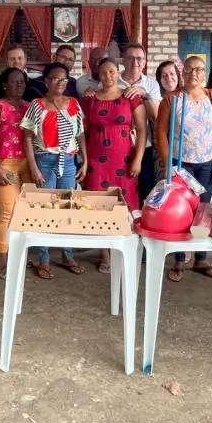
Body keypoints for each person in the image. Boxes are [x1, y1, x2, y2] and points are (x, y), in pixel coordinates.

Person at [155, 55, 212, 283]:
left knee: (204, 210)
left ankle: (201, 258)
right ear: (183, 72)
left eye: (199, 69)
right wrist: (168, 163)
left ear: (204, 72)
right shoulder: (172, 99)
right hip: (180, 164)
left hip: (206, 163)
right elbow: (160, 132)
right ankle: (179, 259)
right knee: (180, 209)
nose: (194, 74)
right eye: (189, 69)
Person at [21, 62, 87, 278]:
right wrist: (33, 167)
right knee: (45, 210)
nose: (60, 83)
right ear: (46, 81)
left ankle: (67, 255)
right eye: (55, 78)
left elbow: (80, 134)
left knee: (67, 208)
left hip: (68, 161)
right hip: (45, 160)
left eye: (63, 79)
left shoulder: (74, 104)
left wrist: (84, 160)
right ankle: (44, 258)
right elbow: (28, 137)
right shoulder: (37, 105)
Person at [83, 56, 147, 272]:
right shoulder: (90, 99)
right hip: (96, 162)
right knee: (98, 206)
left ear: (118, 72)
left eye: (111, 71)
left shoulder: (130, 97)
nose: (108, 76)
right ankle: (105, 255)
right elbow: (82, 131)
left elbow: (142, 129)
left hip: (124, 160)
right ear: (98, 75)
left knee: (125, 206)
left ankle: (125, 250)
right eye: (103, 72)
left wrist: (138, 158)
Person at [0, 67, 31, 279]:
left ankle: (19, 255)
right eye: (14, 82)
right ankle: (1, 262)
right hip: (6, 164)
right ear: (5, 84)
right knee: (7, 212)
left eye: (21, 81)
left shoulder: (29, 107)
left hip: (28, 164)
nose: (19, 85)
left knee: (23, 213)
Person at [117, 44, 161, 205]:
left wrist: (144, 95)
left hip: (145, 145)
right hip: (117, 145)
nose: (135, 62)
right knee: (119, 189)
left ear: (144, 62)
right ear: (123, 60)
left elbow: (155, 116)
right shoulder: (112, 80)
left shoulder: (151, 84)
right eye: (130, 58)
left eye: (139, 59)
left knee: (146, 188)